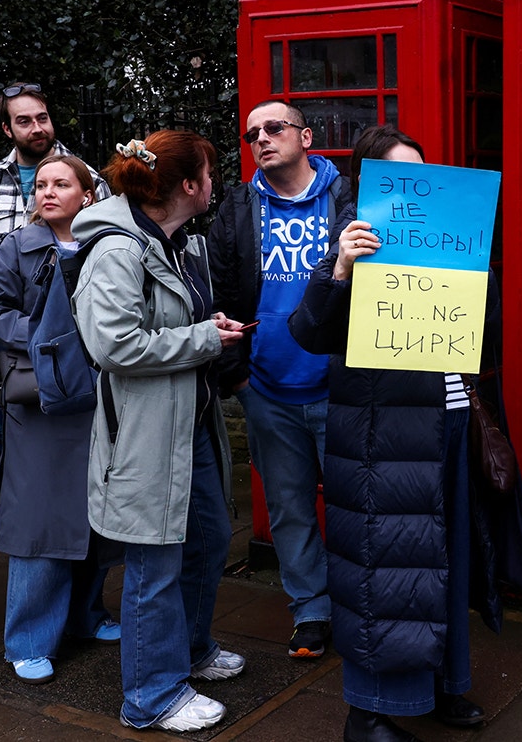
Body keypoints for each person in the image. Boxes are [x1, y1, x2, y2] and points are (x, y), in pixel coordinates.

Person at [289, 125, 513, 742]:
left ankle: (444, 682)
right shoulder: (346, 249)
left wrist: (476, 271)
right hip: (380, 438)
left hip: (450, 422)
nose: (419, 189)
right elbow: (309, 333)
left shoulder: (449, 245)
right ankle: (370, 710)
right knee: (384, 573)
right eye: (399, 177)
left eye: (424, 173)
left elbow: (486, 334)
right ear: (369, 189)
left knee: (447, 562)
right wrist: (340, 267)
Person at [73, 131, 249, 732]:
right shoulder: (116, 253)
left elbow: (167, 320)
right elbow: (114, 345)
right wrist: (204, 339)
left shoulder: (178, 243)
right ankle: (150, 695)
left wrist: (209, 323)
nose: (216, 182)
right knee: (153, 565)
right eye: (210, 171)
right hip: (145, 436)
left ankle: (192, 651)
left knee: (207, 540)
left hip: (190, 422)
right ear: (188, 186)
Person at [207, 99, 353, 660]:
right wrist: (238, 381)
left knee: (351, 508)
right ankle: (311, 612)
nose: (262, 139)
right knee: (290, 511)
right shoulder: (239, 207)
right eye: (252, 134)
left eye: (274, 128)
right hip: (268, 389)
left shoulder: (347, 197)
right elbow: (218, 293)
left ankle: (358, 604)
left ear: (306, 136)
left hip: (339, 384)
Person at [0, 154, 120, 685]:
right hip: (44, 407)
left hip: (102, 400)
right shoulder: (16, 248)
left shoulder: (108, 244)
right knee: (41, 523)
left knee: (96, 517)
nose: (48, 192)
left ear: (87, 193)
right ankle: (29, 641)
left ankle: (86, 616)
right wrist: (52, 342)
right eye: (41, 185)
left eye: (62, 183)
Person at [0, 81, 111, 294]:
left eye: (42, 118)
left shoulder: (88, 180)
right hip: (3, 315)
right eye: (24, 122)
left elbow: (108, 251)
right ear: (7, 129)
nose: (37, 129)